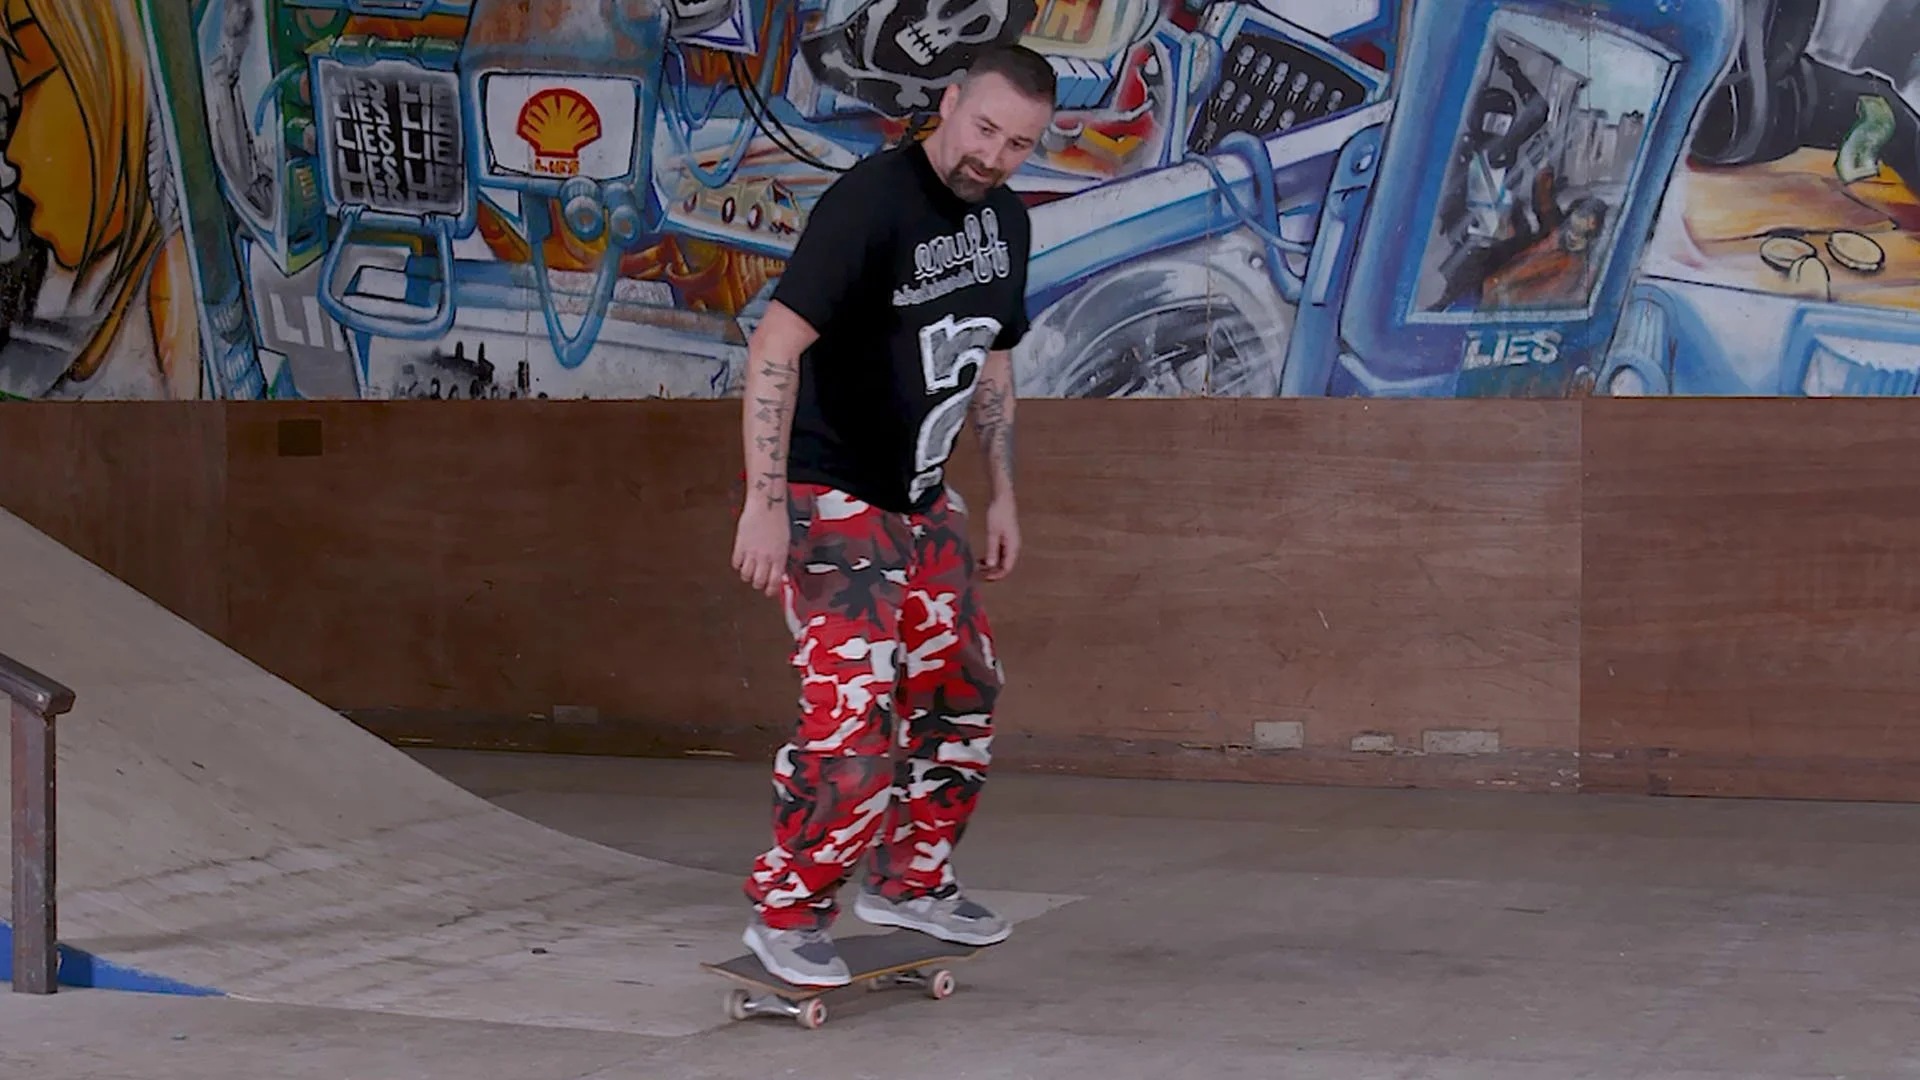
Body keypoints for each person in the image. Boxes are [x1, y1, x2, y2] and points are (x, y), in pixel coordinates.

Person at [728, 43, 1057, 988]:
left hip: (924, 504)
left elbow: (994, 360)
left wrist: (1002, 494)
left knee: (962, 693)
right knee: (852, 730)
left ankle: (912, 882)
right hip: (831, 499)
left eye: (1018, 143)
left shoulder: (1006, 223)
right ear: (948, 104)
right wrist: (762, 501)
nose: (991, 155)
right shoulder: (870, 203)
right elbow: (775, 350)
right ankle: (788, 911)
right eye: (984, 128)